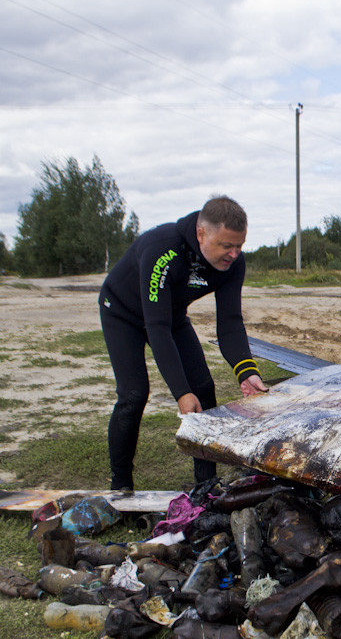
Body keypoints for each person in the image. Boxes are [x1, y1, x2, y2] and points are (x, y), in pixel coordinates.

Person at [99, 195, 267, 492]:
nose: (233, 253)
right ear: (202, 234)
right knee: (134, 394)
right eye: (226, 245)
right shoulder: (163, 249)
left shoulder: (233, 263)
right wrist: (181, 392)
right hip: (123, 312)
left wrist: (246, 371)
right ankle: (121, 483)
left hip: (171, 315)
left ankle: (206, 483)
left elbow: (229, 322)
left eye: (239, 245)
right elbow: (156, 328)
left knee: (203, 387)